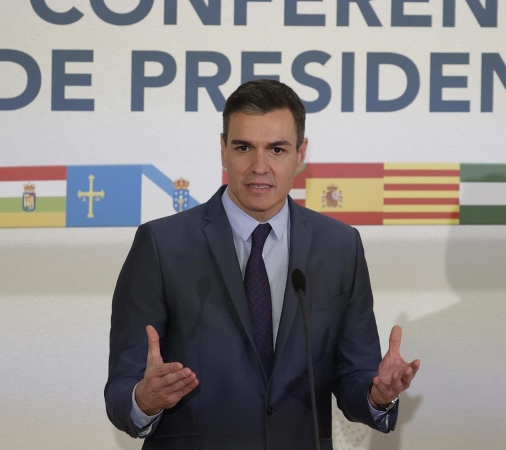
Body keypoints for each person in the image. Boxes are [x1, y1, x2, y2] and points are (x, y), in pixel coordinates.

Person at [105, 79, 420, 450]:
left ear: (300, 154)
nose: (260, 166)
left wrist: (378, 393)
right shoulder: (161, 245)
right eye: (243, 147)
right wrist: (144, 399)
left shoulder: (339, 246)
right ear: (223, 150)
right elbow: (122, 389)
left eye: (277, 149)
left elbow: (354, 377)